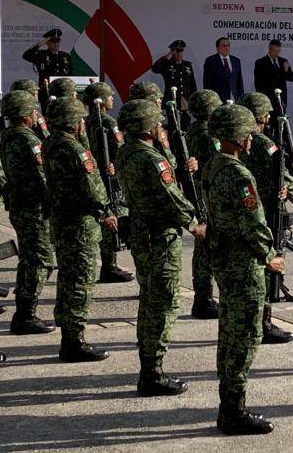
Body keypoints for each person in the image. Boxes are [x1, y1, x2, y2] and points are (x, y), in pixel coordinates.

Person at [115, 99, 206, 396]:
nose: (161, 126)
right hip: (159, 238)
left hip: (143, 233)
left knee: (150, 299)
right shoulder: (150, 159)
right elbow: (170, 194)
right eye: (157, 122)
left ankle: (149, 366)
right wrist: (194, 222)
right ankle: (152, 372)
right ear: (146, 125)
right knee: (163, 303)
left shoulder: (127, 152)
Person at [201, 104, 281, 435]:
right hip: (243, 263)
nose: (251, 139)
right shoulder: (238, 173)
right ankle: (234, 410)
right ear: (238, 136)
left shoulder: (213, 165)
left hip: (224, 258)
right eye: (248, 133)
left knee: (230, 332)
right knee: (244, 336)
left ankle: (229, 405)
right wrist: (269, 255)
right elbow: (253, 222)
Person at [43, 96, 117, 363]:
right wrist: (106, 211)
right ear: (73, 121)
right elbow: (92, 186)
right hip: (80, 224)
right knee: (80, 282)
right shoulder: (75, 150)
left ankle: (69, 336)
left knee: (68, 278)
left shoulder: (51, 144)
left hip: (63, 221)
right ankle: (74, 342)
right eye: (80, 119)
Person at [237, 92, 293, 344]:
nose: (269, 116)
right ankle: (264, 322)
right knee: (267, 264)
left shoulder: (241, 140)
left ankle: (256, 321)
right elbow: (282, 172)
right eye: (266, 112)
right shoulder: (264, 143)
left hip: (250, 208)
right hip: (267, 208)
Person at [0, 91, 56, 335]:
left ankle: (24, 312)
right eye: (33, 110)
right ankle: (25, 314)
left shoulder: (8, 136)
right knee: (41, 262)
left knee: (29, 259)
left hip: (20, 206)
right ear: (25, 114)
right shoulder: (28, 140)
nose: (36, 114)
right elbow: (43, 176)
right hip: (34, 208)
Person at [82, 82, 135, 284]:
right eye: (109, 96)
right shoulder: (109, 122)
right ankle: (109, 265)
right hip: (110, 176)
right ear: (102, 100)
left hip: (94, 174)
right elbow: (120, 147)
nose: (112, 99)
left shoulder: (86, 121)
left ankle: (109, 264)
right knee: (113, 217)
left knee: (105, 215)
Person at [185, 89, 223, 319]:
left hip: (198, 192)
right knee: (205, 248)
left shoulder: (193, 130)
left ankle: (204, 297)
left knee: (203, 248)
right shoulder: (208, 135)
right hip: (206, 195)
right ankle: (203, 298)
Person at [21, 28, 73, 112]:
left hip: (63, 93)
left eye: (57, 42)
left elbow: (70, 74)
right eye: (53, 42)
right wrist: (43, 42)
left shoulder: (65, 56)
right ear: (48, 43)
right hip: (46, 92)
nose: (56, 44)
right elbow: (26, 55)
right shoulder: (42, 55)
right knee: (47, 117)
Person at [152, 39, 198, 130]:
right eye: (176, 52)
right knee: (174, 126)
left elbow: (192, 84)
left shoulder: (187, 65)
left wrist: (193, 100)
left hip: (185, 100)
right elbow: (155, 68)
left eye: (180, 51)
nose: (179, 54)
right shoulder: (167, 65)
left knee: (186, 125)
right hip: (172, 100)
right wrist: (169, 54)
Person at [254, 39, 293, 138]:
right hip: (268, 100)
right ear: (269, 49)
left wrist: (286, 70)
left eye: (279, 51)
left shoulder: (283, 61)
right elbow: (258, 84)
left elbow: (292, 78)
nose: (277, 53)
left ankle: (281, 147)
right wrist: (263, 99)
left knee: (280, 126)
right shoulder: (260, 62)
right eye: (275, 51)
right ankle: (269, 148)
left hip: (281, 101)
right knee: (268, 126)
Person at [203, 37, 245, 103]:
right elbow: (207, 83)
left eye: (228, 45)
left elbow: (239, 82)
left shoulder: (236, 60)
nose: (227, 48)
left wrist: (241, 98)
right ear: (217, 48)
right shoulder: (210, 61)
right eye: (224, 46)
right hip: (217, 99)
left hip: (234, 98)